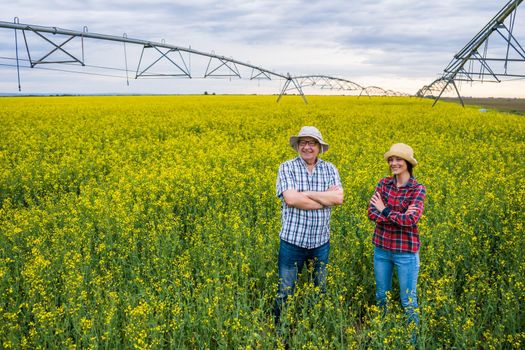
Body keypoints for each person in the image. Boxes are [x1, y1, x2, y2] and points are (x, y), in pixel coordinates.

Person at [274, 126, 344, 325]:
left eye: (311, 143)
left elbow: (338, 198)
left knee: (319, 289)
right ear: (297, 146)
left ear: (319, 147)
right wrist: (324, 198)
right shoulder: (286, 167)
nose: (307, 147)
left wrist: (305, 193)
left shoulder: (330, 168)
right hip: (292, 242)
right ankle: (280, 332)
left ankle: (315, 327)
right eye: (303, 142)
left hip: (320, 242)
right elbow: (290, 199)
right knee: (285, 291)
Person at [368, 143, 426, 337]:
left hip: (406, 253)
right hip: (382, 249)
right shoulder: (383, 183)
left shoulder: (417, 189)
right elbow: (370, 212)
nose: (393, 163)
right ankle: (382, 335)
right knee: (381, 296)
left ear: (408, 163)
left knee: (408, 301)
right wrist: (397, 216)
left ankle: (413, 341)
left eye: (398, 159)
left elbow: (411, 219)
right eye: (391, 159)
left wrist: (384, 209)